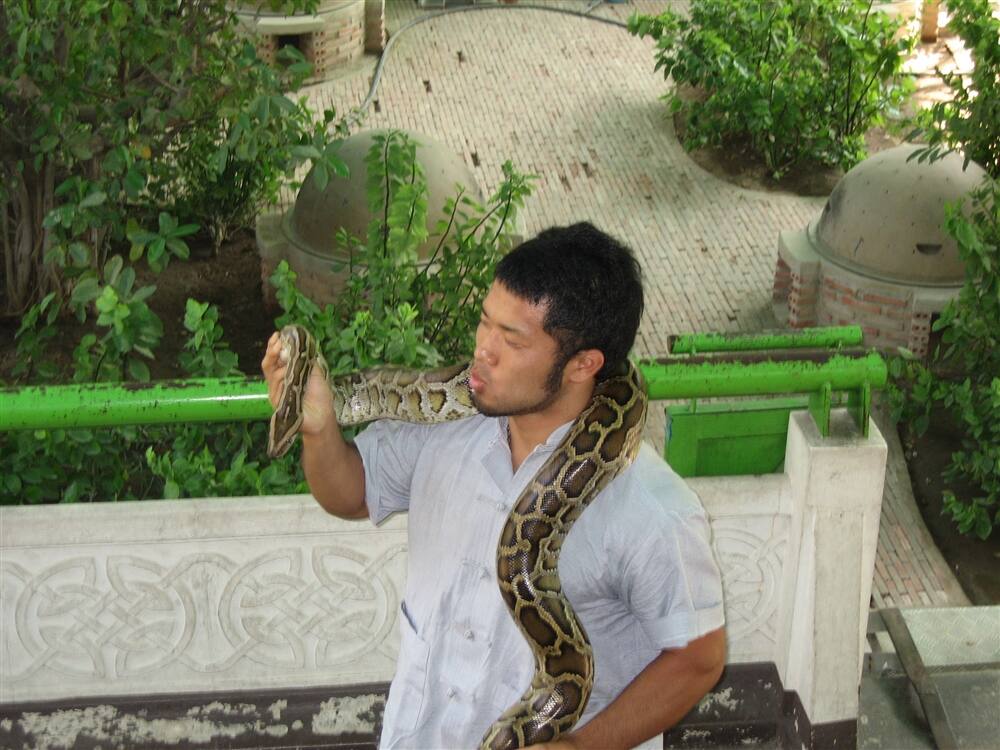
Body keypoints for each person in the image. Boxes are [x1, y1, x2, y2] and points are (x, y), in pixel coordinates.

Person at [262, 222, 726, 750]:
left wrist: (580, 747)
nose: (483, 351)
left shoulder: (652, 509)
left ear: (583, 364)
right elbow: (350, 493)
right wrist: (319, 427)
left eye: (512, 340)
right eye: (485, 323)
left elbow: (698, 658)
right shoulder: (442, 427)